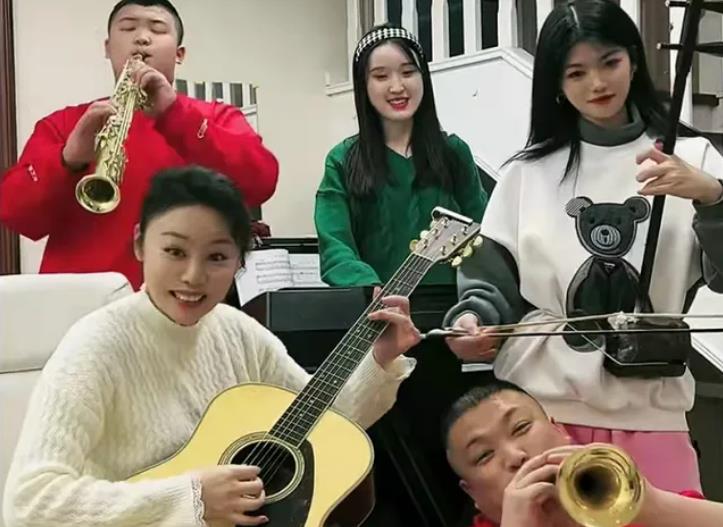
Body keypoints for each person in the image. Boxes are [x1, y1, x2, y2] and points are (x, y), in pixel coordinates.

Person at [3, 165, 419, 527]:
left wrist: (380, 358)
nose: (193, 276)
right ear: (139, 244)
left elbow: (328, 422)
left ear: (240, 261)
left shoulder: (239, 333)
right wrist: (190, 497)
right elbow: (29, 503)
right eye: (174, 251)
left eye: (217, 257)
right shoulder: (95, 346)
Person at [443, 0, 723, 493]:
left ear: (633, 59)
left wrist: (713, 198)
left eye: (609, 62)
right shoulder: (527, 173)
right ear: (555, 82)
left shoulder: (693, 157)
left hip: (653, 407)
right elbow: (491, 283)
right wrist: (473, 320)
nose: (597, 83)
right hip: (540, 414)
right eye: (576, 73)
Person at [0, 0, 278, 290]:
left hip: (187, 298)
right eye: (128, 27)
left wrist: (177, 116)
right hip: (81, 304)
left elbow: (261, 182)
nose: (142, 38)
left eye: (157, 29)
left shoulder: (217, 117)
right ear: (108, 48)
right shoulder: (64, 123)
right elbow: (16, 216)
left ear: (179, 54)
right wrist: (67, 158)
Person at [314, 24, 488, 287]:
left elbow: (486, 233)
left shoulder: (453, 152)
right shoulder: (342, 160)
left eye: (408, 72)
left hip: (452, 306)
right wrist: (369, 288)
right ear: (364, 85)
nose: (397, 86)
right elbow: (335, 245)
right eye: (381, 76)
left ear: (423, 77)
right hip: (374, 302)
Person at [443, 380, 723, 527]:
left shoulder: (631, 507)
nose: (516, 456)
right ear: (472, 493)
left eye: (521, 427)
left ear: (560, 430)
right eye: (484, 455)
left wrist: (654, 506)